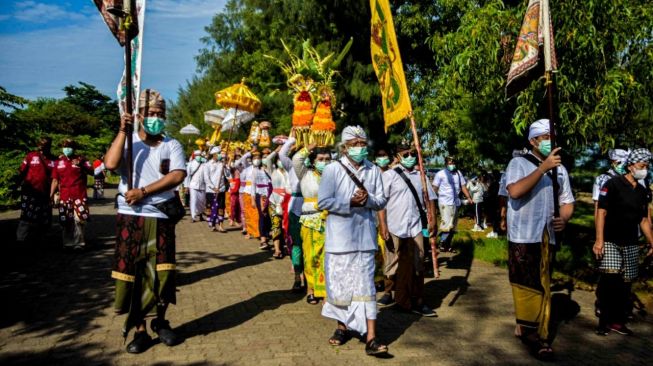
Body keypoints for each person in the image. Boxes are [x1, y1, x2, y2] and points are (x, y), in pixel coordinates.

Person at [104, 89, 186, 354]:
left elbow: (177, 176)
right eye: (151, 114)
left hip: (160, 214)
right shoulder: (130, 143)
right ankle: (139, 328)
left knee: (162, 271)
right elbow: (110, 163)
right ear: (140, 116)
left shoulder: (171, 145)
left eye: (160, 114)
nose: (156, 118)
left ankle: (160, 322)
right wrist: (121, 131)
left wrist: (145, 191)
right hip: (131, 216)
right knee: (134, 272)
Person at [505, 119, 575, 360]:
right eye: (545, 137)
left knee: (543, 282)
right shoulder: (518, 163)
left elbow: (567, 200)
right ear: (533, 141)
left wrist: (564, 219)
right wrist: (543, 168)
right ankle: (532, 335)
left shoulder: (561, 169)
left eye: (552, 137)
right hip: (523, 235)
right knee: (526, 283)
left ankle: (532, 327)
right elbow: (514, 191)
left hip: (547, 235)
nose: (550, 141)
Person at [318, 126, 388, 356]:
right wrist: (350, 203)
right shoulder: (332, 170)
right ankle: (342, 327)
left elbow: (381, 200)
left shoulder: (374, 170)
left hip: (365, 239)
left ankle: (371, 336)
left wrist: (367, 200)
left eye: (362, 143)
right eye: (355, 143)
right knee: (341, 286)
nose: (360, 147)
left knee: (366, 287)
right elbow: (324, 202)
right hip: (340, 240)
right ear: (345, 147)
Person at [594, 148, 653, 336]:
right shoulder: (612, 184)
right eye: (642, 166)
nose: (645, 169)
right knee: (610, 279)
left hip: (631, 242)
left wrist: (652, 242)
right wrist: (599, 240)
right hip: (611, 239)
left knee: (625, 283)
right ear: (631, 166)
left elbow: (643, 220)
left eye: (647, 166)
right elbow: (601, 213)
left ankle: (618, 321)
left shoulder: (642, 191)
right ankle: (604, 321)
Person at [377, 144, 437, 316]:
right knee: (393, 262)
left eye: (413, 153)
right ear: (398, 156)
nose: (410, 156)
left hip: (415, 226)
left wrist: (432, 219)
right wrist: (383, 225)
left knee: (418, 262)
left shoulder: (422, 176)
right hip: (395, 226)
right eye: (406, 154)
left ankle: (418, 300)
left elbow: (431, 199)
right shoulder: (389, 176)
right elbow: (381, 203)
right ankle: (394, 295)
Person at [293, 143, 330, 304]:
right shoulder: (305, 174)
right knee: (311, 256)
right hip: (310, 220)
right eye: (321, 159)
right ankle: (312, 289)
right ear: (313, 161)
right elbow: (296, 159)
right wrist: (309, 147)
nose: (325, 162)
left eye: (328, 159)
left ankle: (326, 291)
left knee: (327, 256)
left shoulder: (333, 175)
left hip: (329, 220)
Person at [50, 139, 94, 250]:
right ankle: (67, 243)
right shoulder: (58, 162)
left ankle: (79, 243)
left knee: (79, 219)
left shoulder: (82, 160)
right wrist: (51, 195)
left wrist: (82, 164)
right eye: (64, 146)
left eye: (69, 146)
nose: (66, 149)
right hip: (65, 196)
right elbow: (55, 180)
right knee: (66, 220)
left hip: (79, 195)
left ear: (74, 148)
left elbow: (92, 171)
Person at [279, 135, 306, 292]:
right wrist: (291, 139)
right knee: (297, 244)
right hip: (295, 207)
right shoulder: (291, 165)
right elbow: (282, 154)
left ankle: (311, 280)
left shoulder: (315, 166)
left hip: (314, 209)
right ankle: (297, 276)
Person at [16, 137, 55, 243]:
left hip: (45, 193)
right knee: (26, 216)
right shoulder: (31, 156)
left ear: (49, 146)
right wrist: (16, 186)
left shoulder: (53, 160)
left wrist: (54, 193)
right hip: (29, 192)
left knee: (45, 217)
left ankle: (40, 239)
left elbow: (57, 178)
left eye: (45, 145)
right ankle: (21, 239)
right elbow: (21, 172)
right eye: (41, 145)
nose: (42, 147)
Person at [432, 156, 473, 253]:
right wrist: (431, 202)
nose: (452, 165)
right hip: (444, 202)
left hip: (455, 202)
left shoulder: (458, 173)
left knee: (453, 226)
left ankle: (447, 244)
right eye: (450, 163)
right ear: (446, 164)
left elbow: (463, 186)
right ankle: (442, 243)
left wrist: (468, 197)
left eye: (453, 162)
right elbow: (434, 188)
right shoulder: (440, 174)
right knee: (447, 223)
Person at [592, 149, 629, 220]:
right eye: (612, 161)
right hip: (609, 223)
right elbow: (597, 206)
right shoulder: (601, 179)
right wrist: (598, 229)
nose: (614, 164)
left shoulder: (632, 180)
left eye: (618, 162)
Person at [268, 146, 290, 258]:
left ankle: (286, 247)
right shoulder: (272, 171)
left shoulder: (289, 171)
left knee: (285, 225)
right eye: (279, 160)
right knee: (275, 225)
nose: (281, 162)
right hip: (274, 201)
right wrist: (276, 151)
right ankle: (277, 249)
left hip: (286, 202)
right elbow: (267, 160)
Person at [253, 150, 273, 249]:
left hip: (271, 195)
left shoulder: (272, 169)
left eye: (267, 157)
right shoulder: (256, 170)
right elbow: (253, 185)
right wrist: (253, 199)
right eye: (263, 157)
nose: (265, 159)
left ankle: (269, 233)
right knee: (262, 216)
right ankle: (263, 239)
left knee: (271, 216)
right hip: (260, 195)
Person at [206, 147, 227, 232]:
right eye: (218, 153)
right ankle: (213, 224)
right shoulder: (207, 165)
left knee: (221, 207)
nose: (220, 155)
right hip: (211, 190)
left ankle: (221, 225)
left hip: (221, 189)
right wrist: (213, 188)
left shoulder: (222, 164)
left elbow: (228, 175)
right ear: (214, 154)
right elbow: (206, 179)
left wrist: (226, 166)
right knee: (211, 207)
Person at [187, 150, 207, 222]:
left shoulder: (204, 163)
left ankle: (201, 215)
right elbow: (188, 176)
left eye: (200, 155)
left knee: (202, 201)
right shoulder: (191, 164)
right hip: (193, 185)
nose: (199, 156)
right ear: (194, 156)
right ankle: (193, 216)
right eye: (197, 155)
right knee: (194, 201)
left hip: (203, 185)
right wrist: (187, 186)